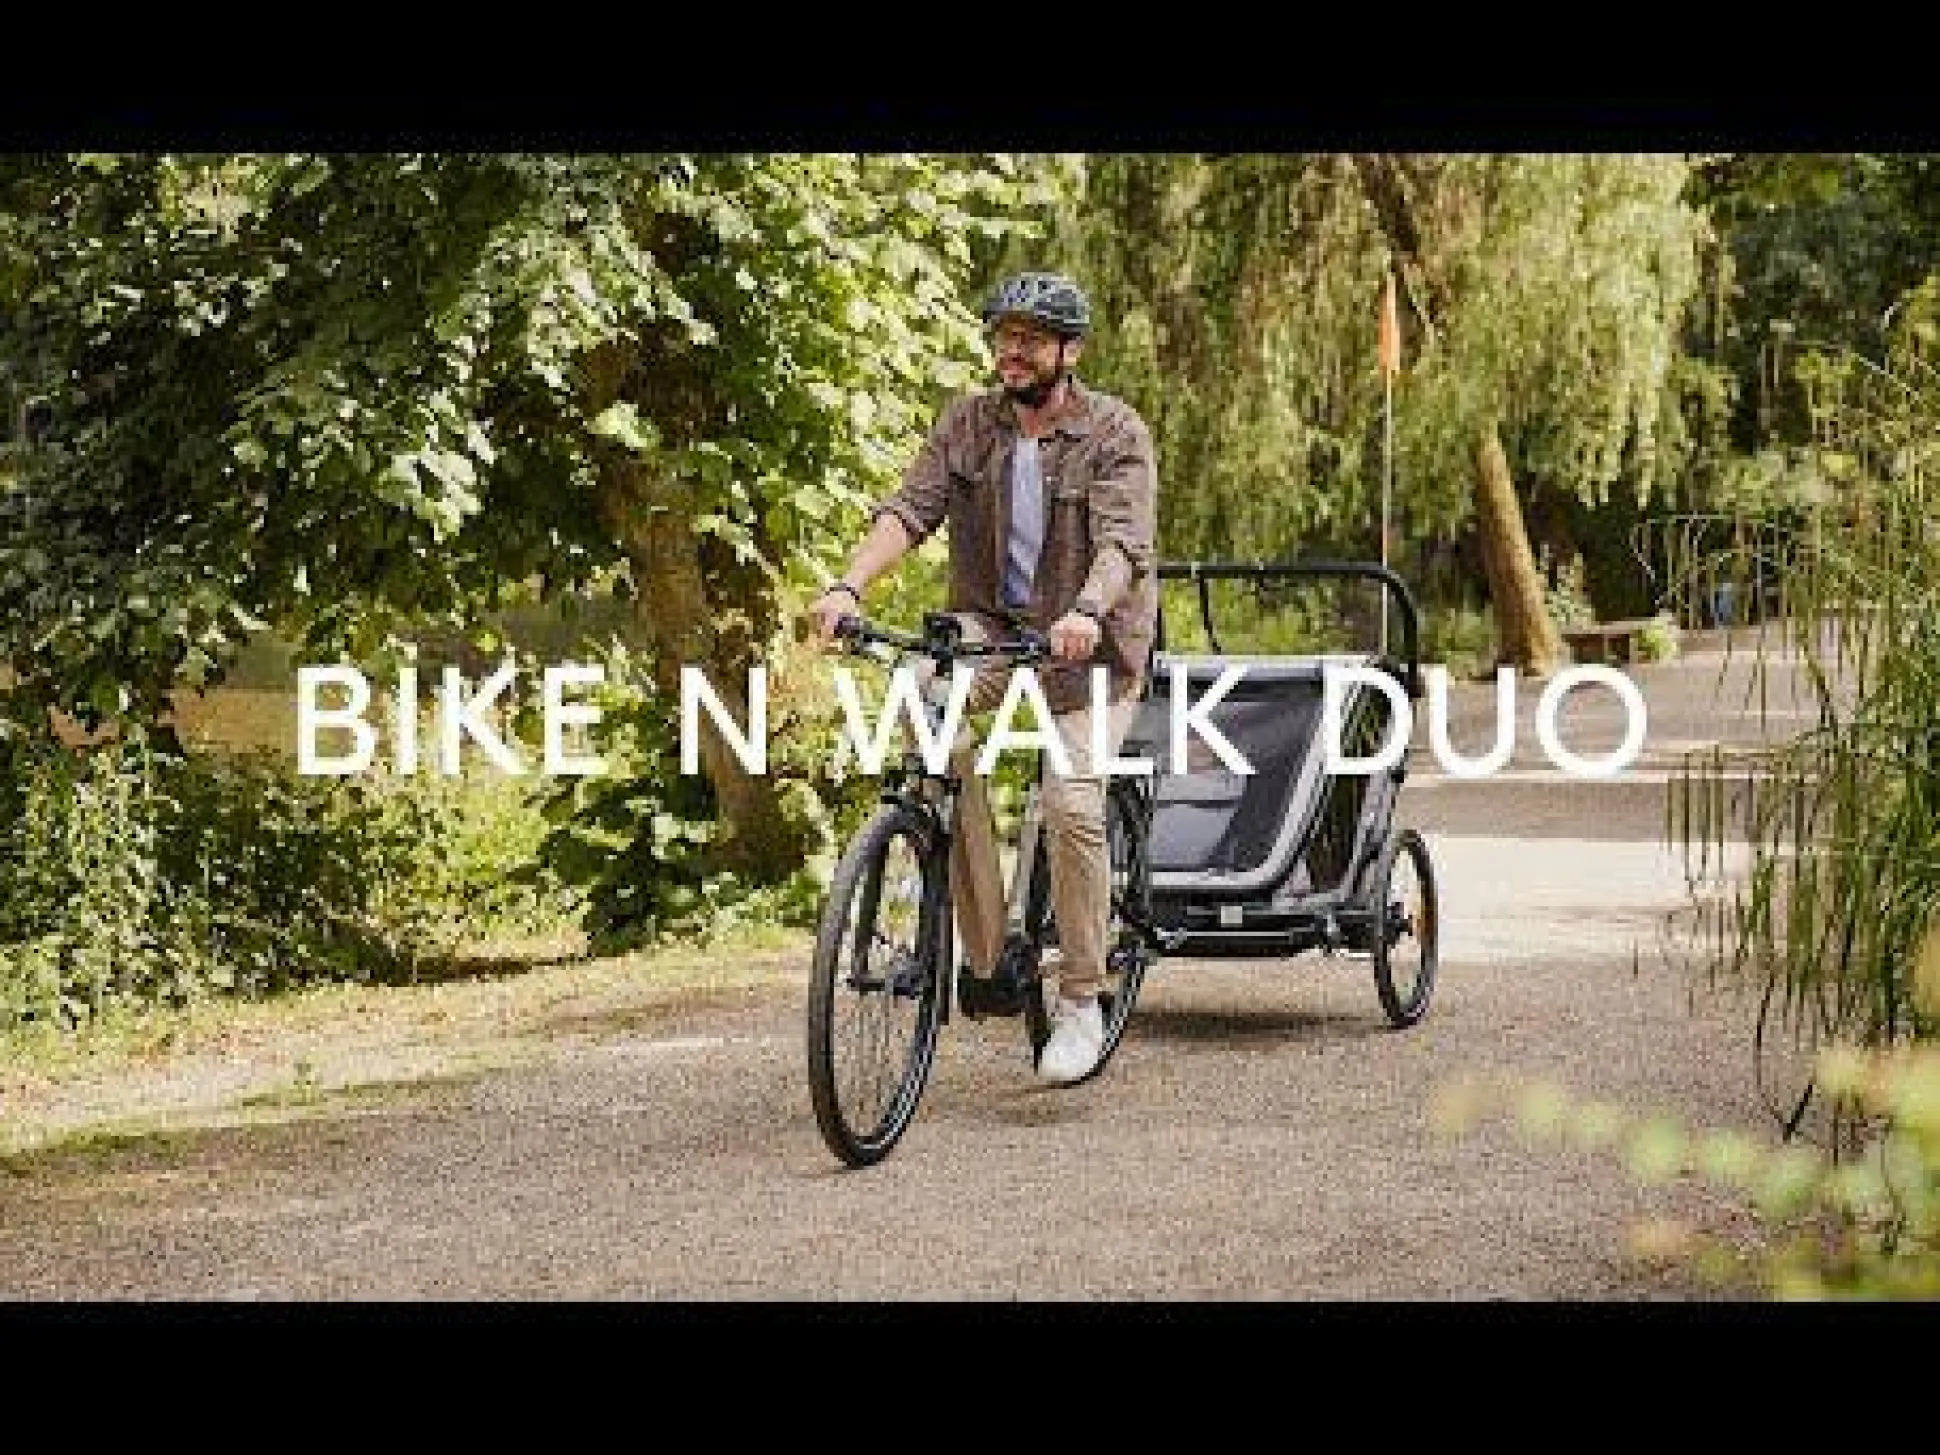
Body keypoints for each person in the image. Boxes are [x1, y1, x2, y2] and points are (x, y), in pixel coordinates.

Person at [805, 269, 1160, 1085]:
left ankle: (1081, 996)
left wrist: (1086, 609)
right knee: (923, 699)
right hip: (993, 628)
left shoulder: (1115, 431)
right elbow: (908, 510)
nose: (1012, 351)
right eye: (1004, 336)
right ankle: (989, 945)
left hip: (1090, 646)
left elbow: (1122, 544)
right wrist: (848, 586)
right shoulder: (968, 423)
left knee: (1071, 800)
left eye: (1030, 339)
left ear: (1069, 351)